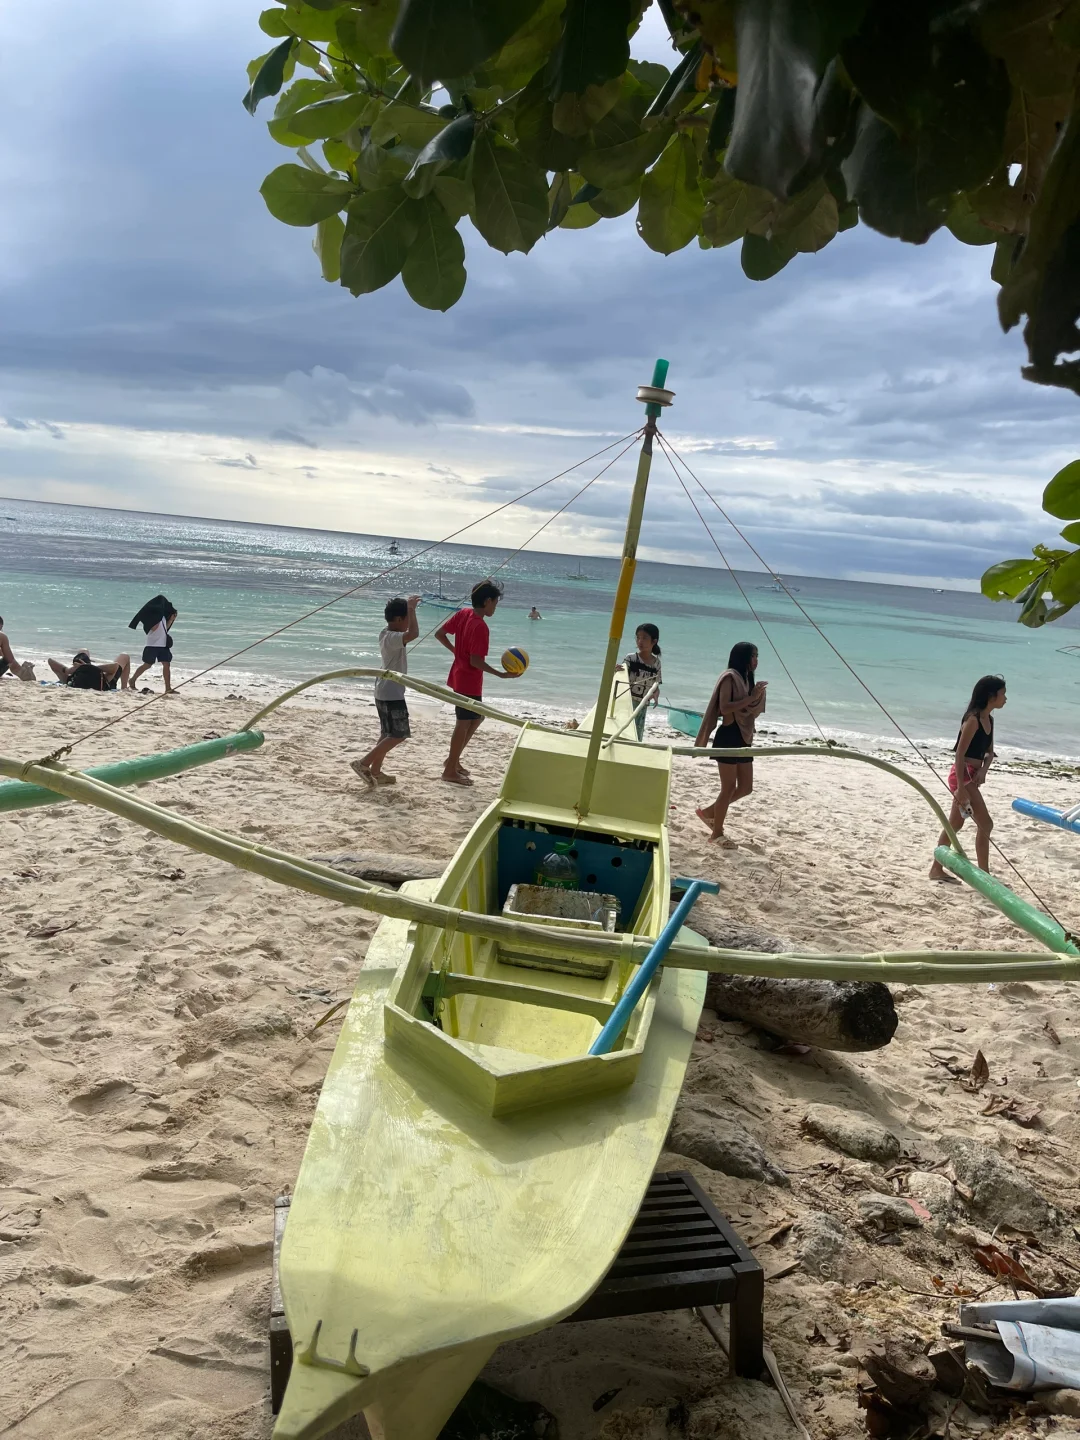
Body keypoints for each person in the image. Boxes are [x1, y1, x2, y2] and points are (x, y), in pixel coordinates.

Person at [435, 579, 516, 786]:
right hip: (468, 681)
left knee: (477, 718)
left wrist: (456, 652)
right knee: (463, 723)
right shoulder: (480, 626)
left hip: (460, 676)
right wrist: (500, 674)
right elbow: (475, 660)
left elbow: (440, 634)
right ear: (487, 601)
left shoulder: (464, 613)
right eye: (495, 603)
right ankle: (449, 770)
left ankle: (452, 761)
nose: (495, 607)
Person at [929, 675, 1006, 880]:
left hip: (973, 775)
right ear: (991, 696)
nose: (1005, 698)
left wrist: (984, 770)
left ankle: (936, 869)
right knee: (986, 824)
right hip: (962, 776)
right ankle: (984, 875)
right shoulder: (973, 720)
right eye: (1003, 693)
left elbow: (990, 752)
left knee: (955, 824)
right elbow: (959, 754)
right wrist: (961, 789)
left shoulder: (989, 720)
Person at [694, 641, 767, 846]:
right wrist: (751, 697)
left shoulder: (746, 679)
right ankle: (716, 833)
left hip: (744, 737)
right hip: (728, 735)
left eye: (757, 656)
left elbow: (749, 708)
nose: (756, 660)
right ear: (743, 657)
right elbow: (725, 708)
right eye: (753, 656)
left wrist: (757, 696)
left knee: (745, 787)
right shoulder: (729, 677)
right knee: (728, 787)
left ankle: (709, 812)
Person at [351, 595, 420, 788]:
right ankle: (364, 763)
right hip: (391, 693)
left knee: (387, 733)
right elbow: (414, 633)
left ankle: (376, 771)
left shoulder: (386, 633)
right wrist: (412, 609)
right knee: (399, 734)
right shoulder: (393, 637)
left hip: (383, 690)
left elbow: (409, 633)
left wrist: (410, 610)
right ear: (398, 620)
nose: (408, 622)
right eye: (406, 618)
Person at [619, 623, 662, 741]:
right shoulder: (631, 658)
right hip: (627, 702)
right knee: (623, 731)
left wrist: (656, 696)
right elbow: (620, 678)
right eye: (638, 637)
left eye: (644, 638)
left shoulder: (656, 663)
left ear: (654, 641)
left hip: (642, 705)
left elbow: (656, 684)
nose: (640, 641)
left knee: (636, 735)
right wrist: (616, 671)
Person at [129, 596, 177, 693]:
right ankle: (132, 679)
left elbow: (164, 629)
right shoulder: (152, 617)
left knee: (166, 664)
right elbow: (153, 628)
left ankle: (168, 688)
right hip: (152, 645)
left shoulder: (163, 617)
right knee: (147, 665)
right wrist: (156, 620)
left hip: (163, 645)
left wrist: (171, 620)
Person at [48, 650, 132, 690]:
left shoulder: (70, 679)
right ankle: (124, 688)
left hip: (83, 676)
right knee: (125, 655)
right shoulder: (100, 678)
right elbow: (115, 666)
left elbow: (50, 661)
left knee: (84, 651)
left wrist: (67, 670)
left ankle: (83, 657)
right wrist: (88, 667)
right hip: (108, 681)